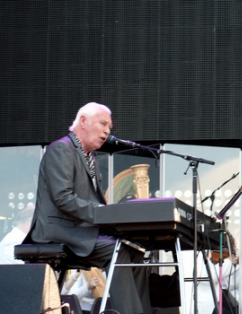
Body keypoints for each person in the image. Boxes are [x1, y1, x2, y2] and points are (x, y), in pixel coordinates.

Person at [24, 102, 152, 313]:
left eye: (109, 127)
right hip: (56, 231)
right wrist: (105, 215)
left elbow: (92, 203)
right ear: (83, 121)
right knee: (117, 251)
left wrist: (112, 219)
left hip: (79, 228)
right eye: (103, 124)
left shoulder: (90, 159)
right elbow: (63, 198)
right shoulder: (61, 149)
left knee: (135, 251)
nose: (107, 131)